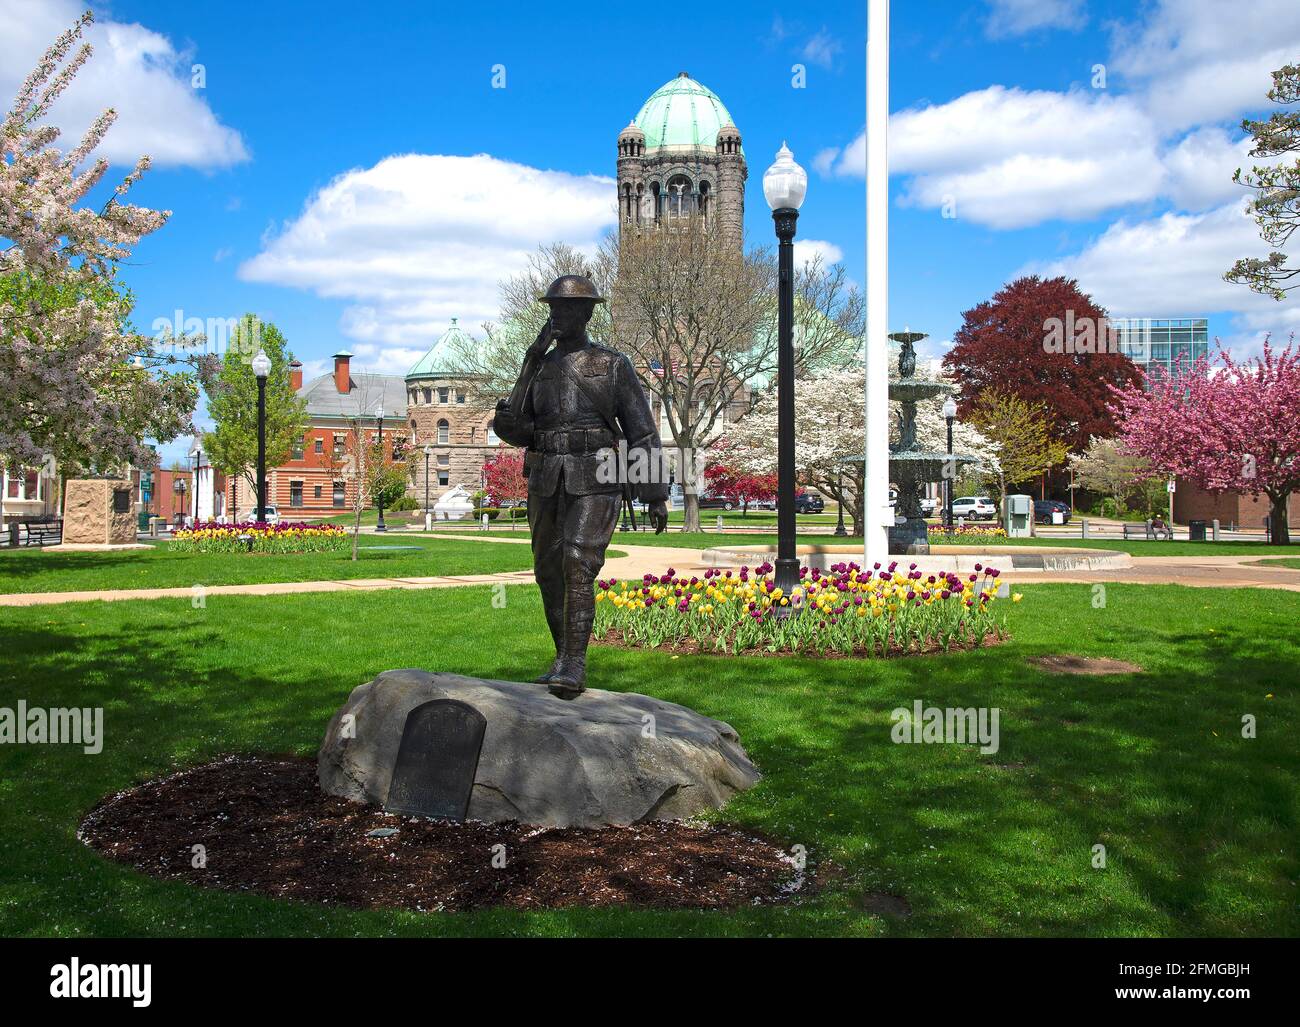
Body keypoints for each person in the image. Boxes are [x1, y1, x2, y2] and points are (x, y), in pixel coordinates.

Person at [492, 275, 669, 698]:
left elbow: (642, 432)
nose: (557, 315)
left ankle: (575, 663)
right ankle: (561, 656)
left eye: (566, 308)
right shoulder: (540, 366)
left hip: (597, 474)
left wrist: (656, 493)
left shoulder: (612, 365)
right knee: (548, 570)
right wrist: (529, 363)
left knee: (578, 561)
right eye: (553, 307)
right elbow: (517, 429)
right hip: (546, 474)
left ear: (587, 313)